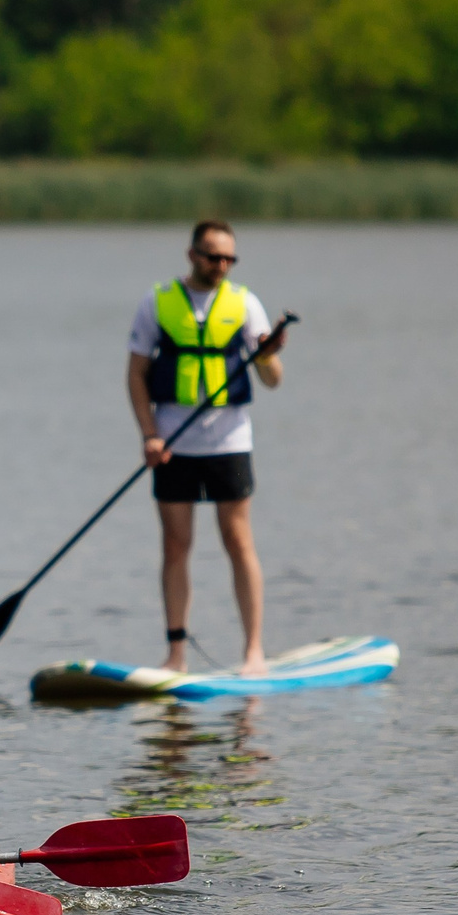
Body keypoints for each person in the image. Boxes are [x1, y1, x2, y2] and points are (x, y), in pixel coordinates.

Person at [126, 218, 289, 674]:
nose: (221, 265)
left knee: (238, 540)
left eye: (229, 258)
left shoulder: (244, 304)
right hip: (173, 444)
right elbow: (136, 374)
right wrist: (149, 435)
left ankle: (253, 650)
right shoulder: (157, 302)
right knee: (176, 545)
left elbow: (273, 381)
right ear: (192, 254)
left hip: (230, 442)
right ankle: (176, 653)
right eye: (213, 256)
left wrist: (269, 353)